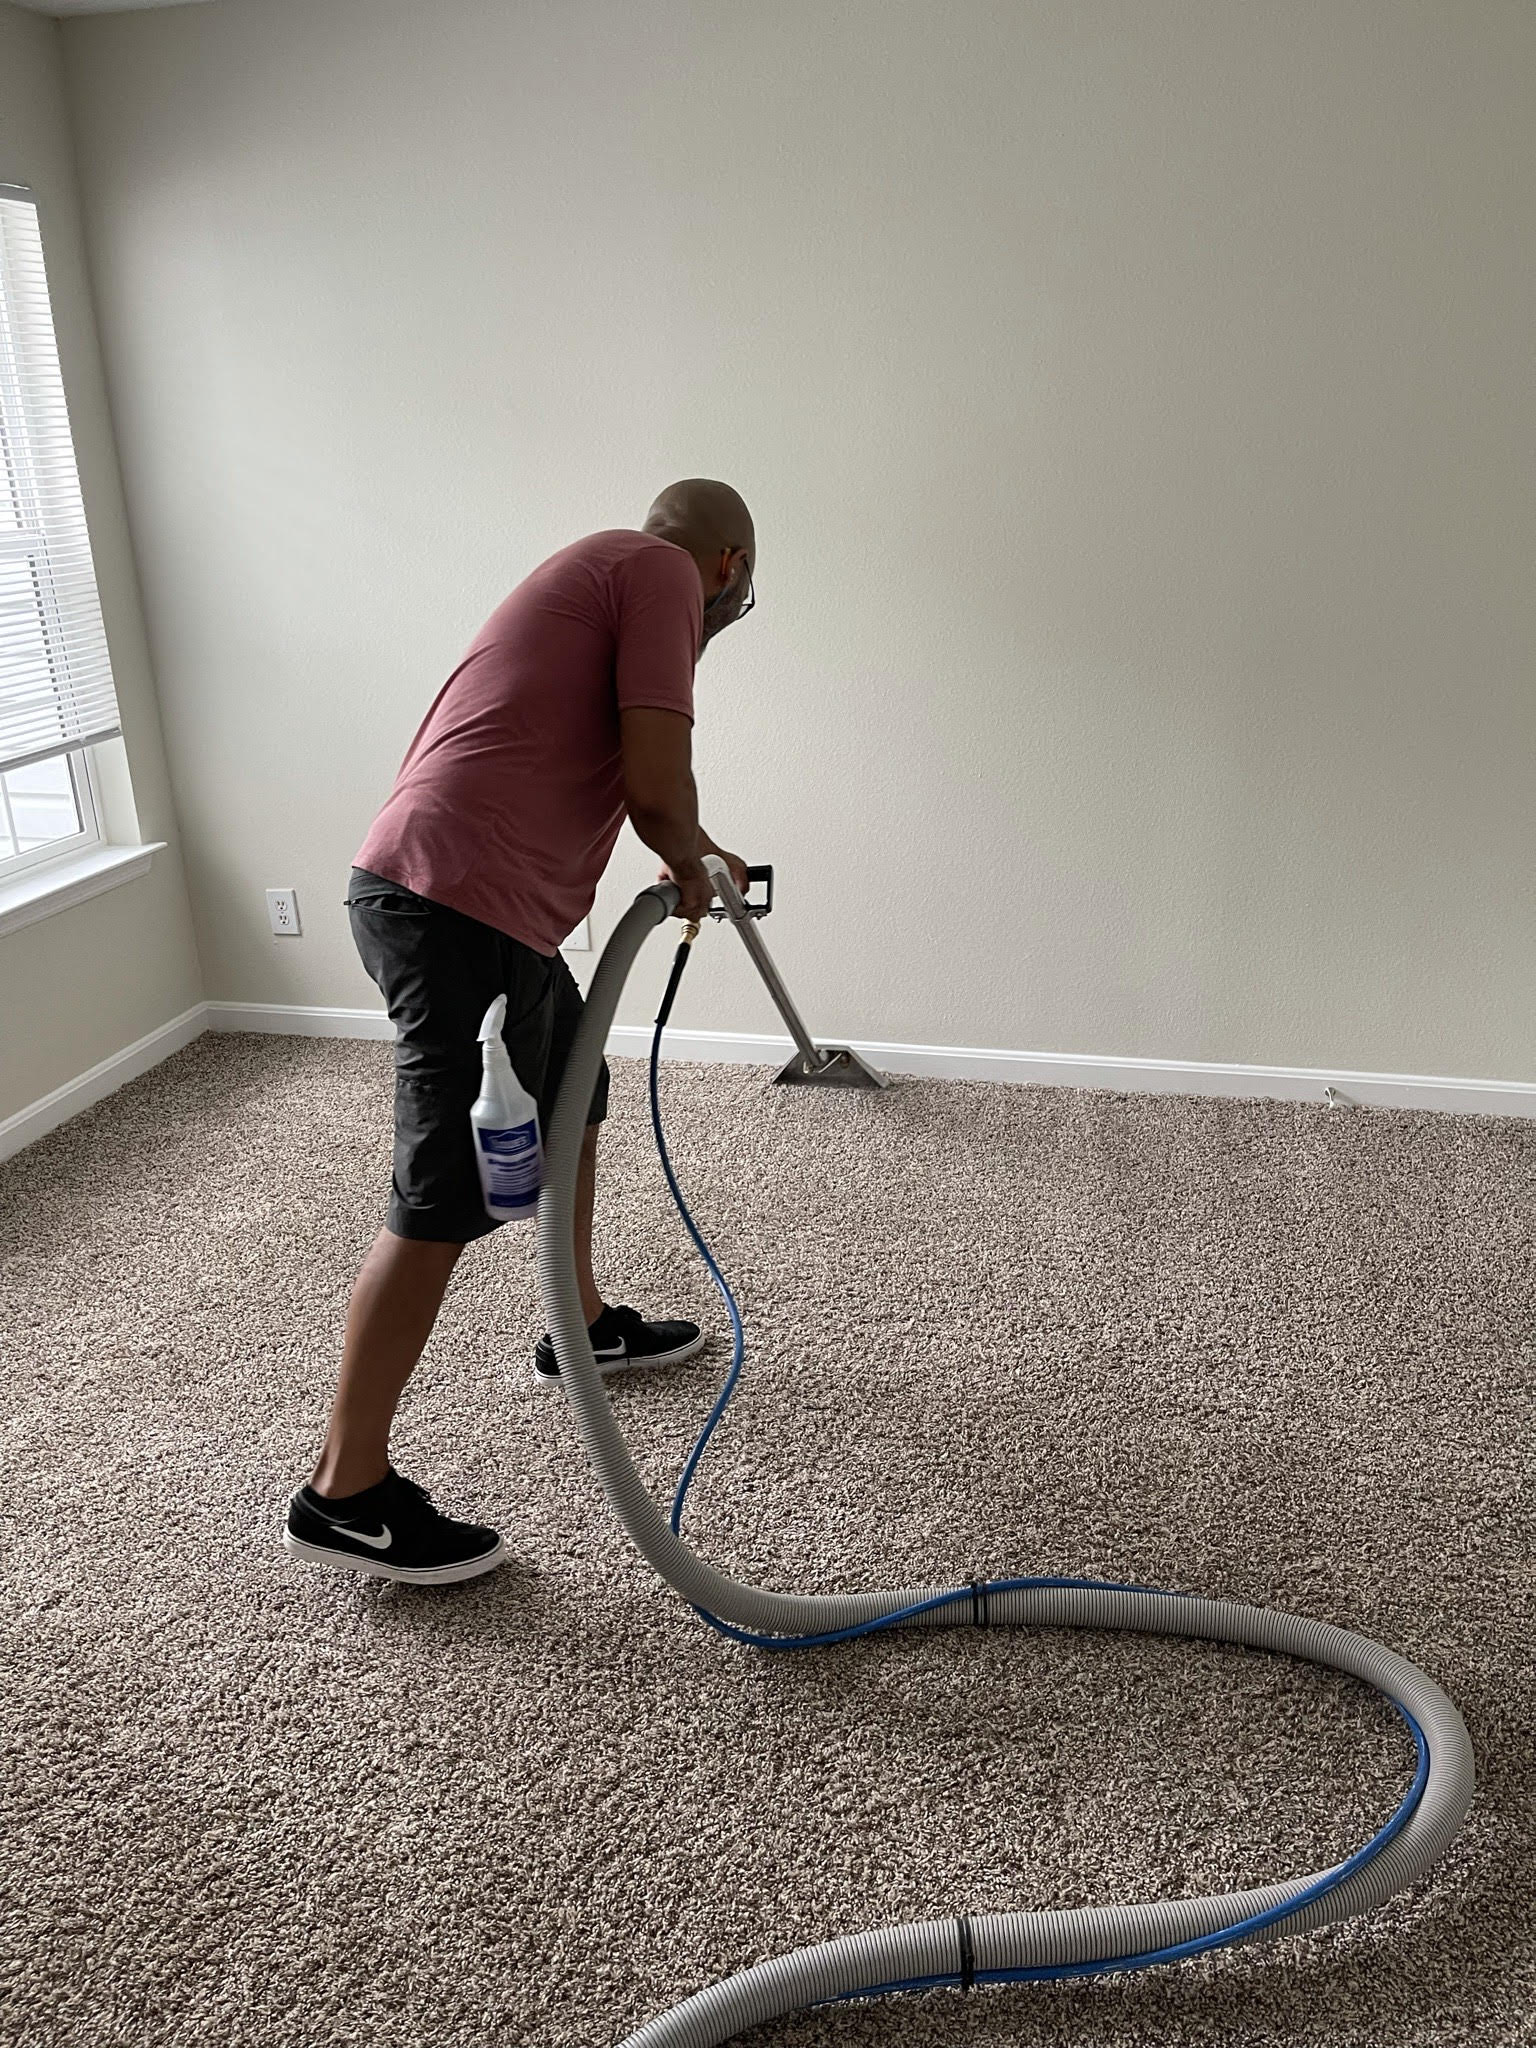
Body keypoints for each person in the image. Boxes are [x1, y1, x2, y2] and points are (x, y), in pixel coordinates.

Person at [282, 480, 757, 1586]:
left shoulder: (603, 570)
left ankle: (579, 1320)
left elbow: (631, 779)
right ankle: (343, 1489)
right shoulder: (658, 573)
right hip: (453, 904)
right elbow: (655, 773)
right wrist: (692, 857)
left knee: (575, 1098)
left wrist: (694, 847)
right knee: (443, 1190)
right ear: (729, 560)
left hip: (491, 910)